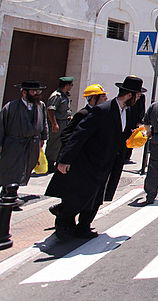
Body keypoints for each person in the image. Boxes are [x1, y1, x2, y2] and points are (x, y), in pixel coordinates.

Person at [46, 76, 145, 240]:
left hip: (109, 163)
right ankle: (63, 225)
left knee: (97, 197)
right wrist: (65, 160)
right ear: (129, 95)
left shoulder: (127, 111)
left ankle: (84, 227)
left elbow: (120, 134)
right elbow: (79, 135)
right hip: (89, 163)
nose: (139, 98)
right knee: (79, 195)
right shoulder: (102, 110)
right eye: (138, 95)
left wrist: (135, 136)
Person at [47, 84, 108, 224]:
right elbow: (67, 135)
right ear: (93, 98)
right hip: (78, 161)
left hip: (91, 162)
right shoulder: (83, 114)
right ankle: (64, 220)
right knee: (74, 194)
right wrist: (77, 151)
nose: (106, 98)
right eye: (103, 96)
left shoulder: (101, 113)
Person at [0, 80, 48, 207]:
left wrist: (43, 137)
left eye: (38, 91)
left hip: (32, 143)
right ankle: (8, 194)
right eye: (33, 91)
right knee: (11, 169)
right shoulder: (11, 107)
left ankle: (12, 192)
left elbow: (44, 123)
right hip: (14, 143)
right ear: (24, 92)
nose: (36, 94)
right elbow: (2, 126)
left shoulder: (40, 105)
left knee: (24, 168)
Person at [45, 76, 73, 171]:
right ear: (66, 85)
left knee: (62, 143)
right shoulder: (56, 96)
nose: (72, 86)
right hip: (58, 123)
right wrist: (54, 124)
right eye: (71, 85)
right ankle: (49, 163)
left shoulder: (65, 95)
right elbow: (51, 110)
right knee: (54, 143)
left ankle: (57, 162)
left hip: (65, 123)